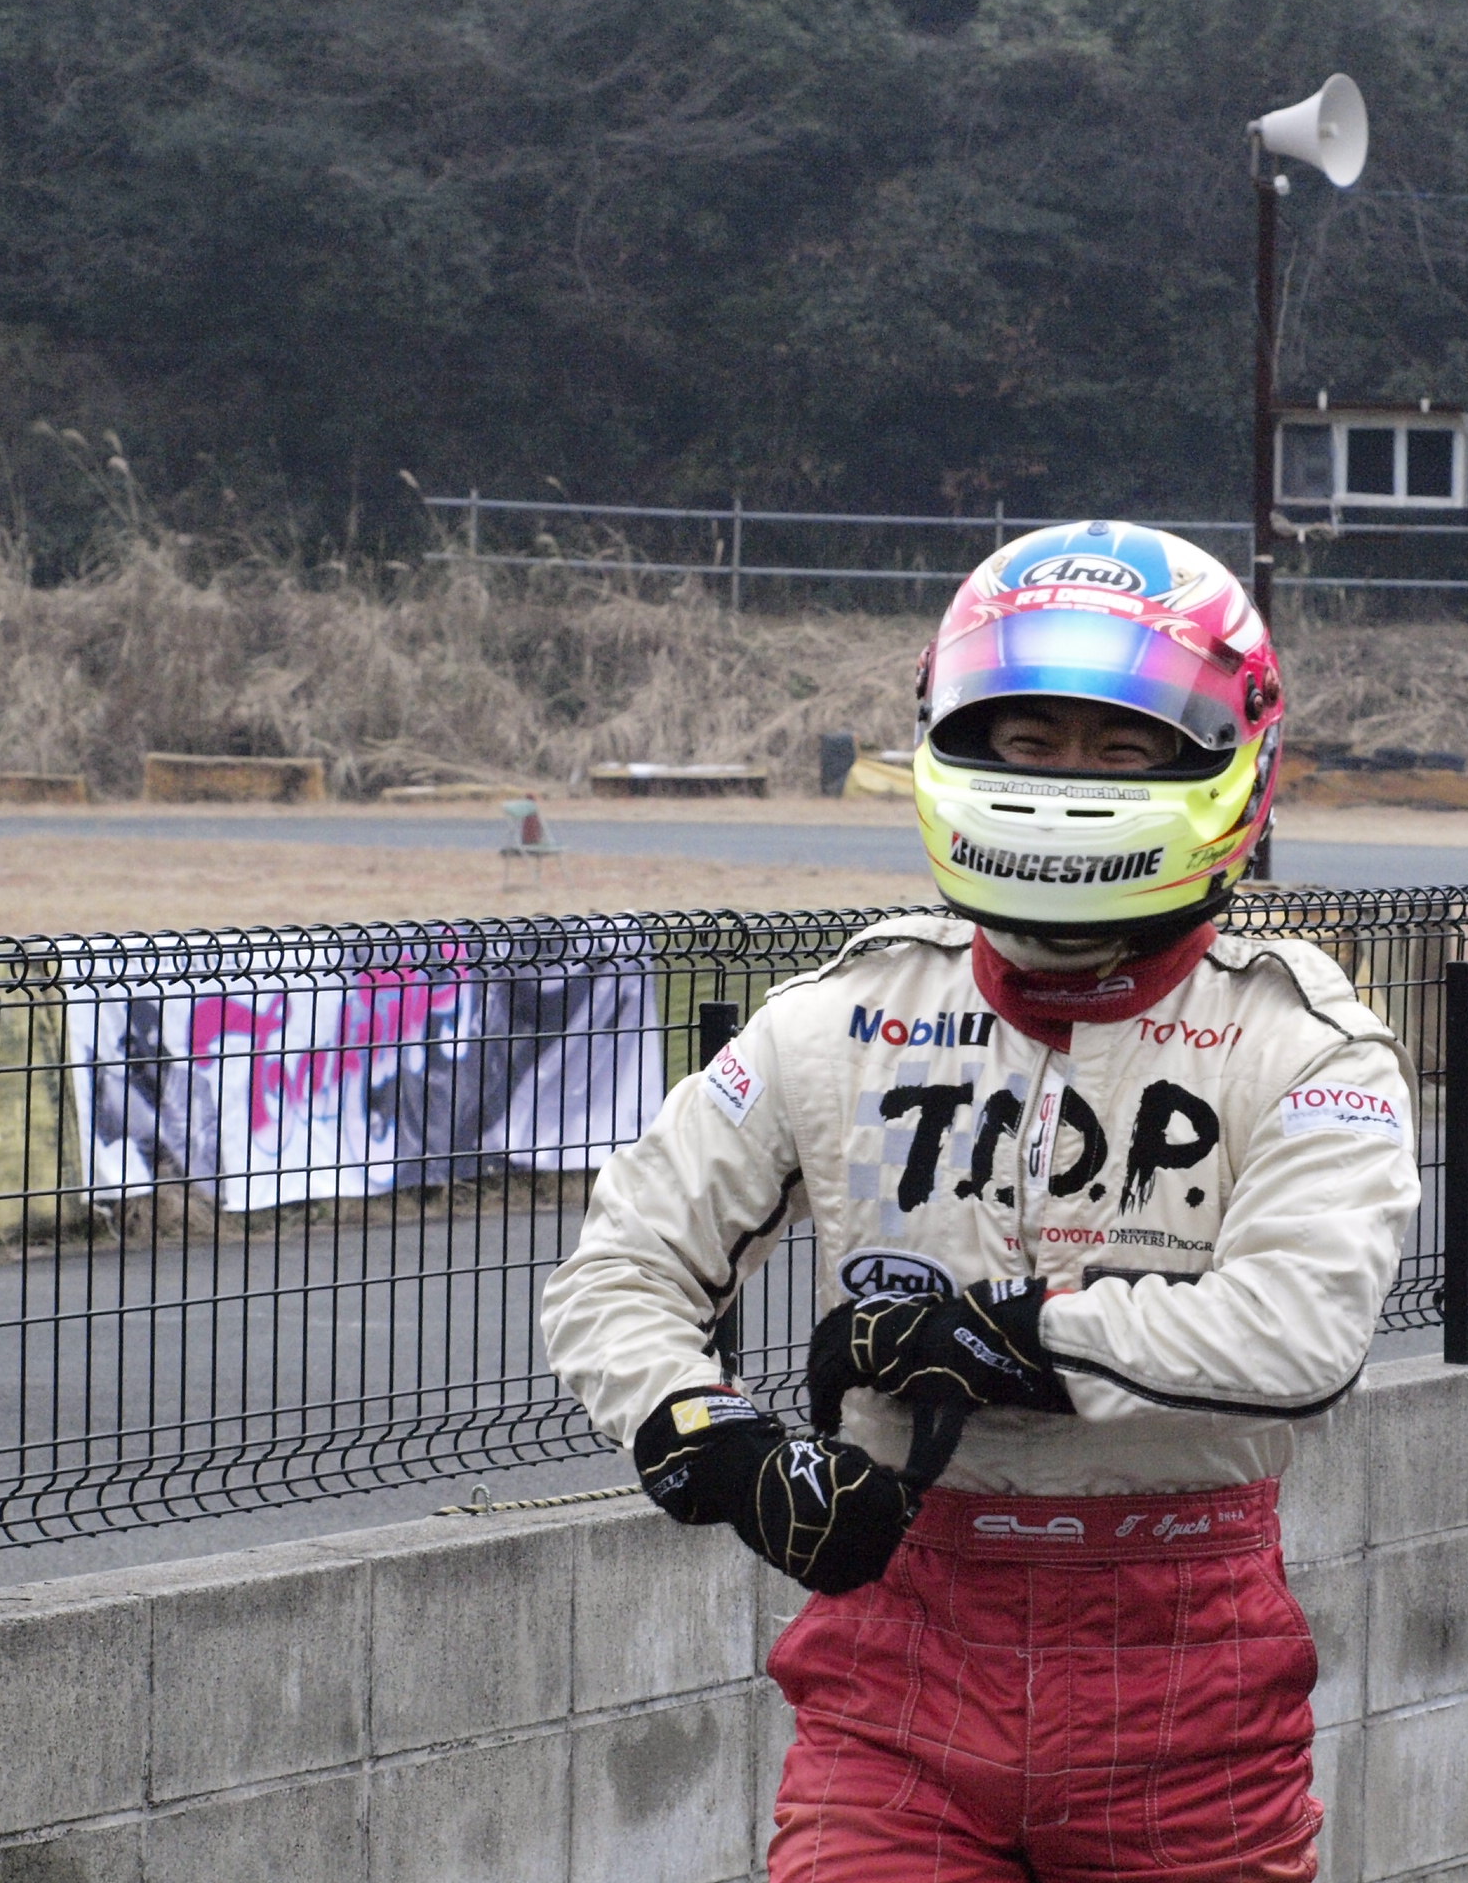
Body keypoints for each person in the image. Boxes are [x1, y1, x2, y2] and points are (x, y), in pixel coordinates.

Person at [541, 520, 1421, 1882]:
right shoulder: (838, 1019)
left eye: (1122, 748)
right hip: (896, 1656)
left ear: (1228, 760)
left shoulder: (1303, 1043)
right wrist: (715, 1442)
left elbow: (1303, 1333)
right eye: (1029, 740)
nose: (1068, 782)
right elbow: (621, 1269)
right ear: (952, 741)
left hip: (1185, 1674)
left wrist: (1008, 1338)